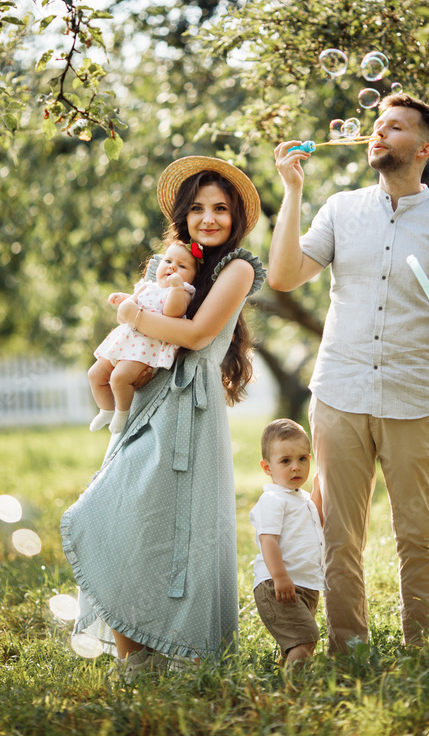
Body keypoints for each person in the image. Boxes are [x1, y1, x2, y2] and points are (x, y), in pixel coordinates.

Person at [268, 93, 429, 653]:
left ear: (424, 147)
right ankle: (349, 648)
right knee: (339, 537)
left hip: (415, 399)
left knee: (416, 536)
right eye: (377, 125)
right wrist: (292, 191)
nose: (379, 133)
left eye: (394, 127)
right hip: (340, 392)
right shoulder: (340, 210)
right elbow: (283, 274)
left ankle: (422, 650)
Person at [61, 156, 266, 675]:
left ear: (235, 216)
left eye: (220, 208)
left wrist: (132, 313)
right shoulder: (174, 261)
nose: (209, 218)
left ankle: (189, 651)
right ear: (183, 214)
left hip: (191, 409)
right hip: (150, 399)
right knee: (122, 513)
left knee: (184, 530)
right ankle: (136, 659)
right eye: (197, 208)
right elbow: (148, 335)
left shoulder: (239, 267)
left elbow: (195, 336)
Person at [88, 239, 202, 435]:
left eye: (182, 266)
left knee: (119, 378)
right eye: (168, 261)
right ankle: (106, 409)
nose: (172, 267)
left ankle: (122, 413)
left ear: (191, 278)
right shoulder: (148, 286)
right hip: (124, 340)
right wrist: (124, 298)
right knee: (95, 374)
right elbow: (132, 308)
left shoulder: (183, 292)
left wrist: (176, 287)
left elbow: (172, 312)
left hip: (145, 346)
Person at [249, 418, 325, 667]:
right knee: (307, 638)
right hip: (278, 584)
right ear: (267, 467)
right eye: (285, 461)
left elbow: (316, 524)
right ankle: (294, 690)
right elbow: (268, 540)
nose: (296, 468)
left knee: (296, 641)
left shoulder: (300, 498)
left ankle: (284, 679)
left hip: (304, 584)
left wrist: (318, 491)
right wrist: (280, 577)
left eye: (302, 459)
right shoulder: (273, 500)